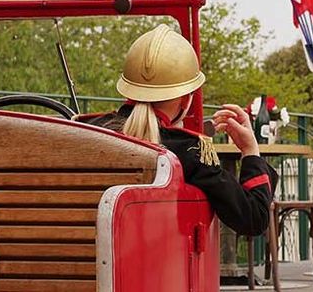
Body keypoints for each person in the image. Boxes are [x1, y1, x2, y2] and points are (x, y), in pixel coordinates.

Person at [77, 24, 276, 236]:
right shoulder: (189, 152)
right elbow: (254, 218)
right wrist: (250, 151)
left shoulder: (88, 132)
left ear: (129, 90)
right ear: (185, 99)